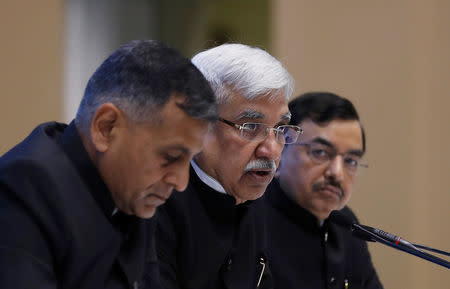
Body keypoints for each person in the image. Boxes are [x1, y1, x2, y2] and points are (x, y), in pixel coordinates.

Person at [0, 40, 218, 289]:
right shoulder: (22, 188)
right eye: (170, 157)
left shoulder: (132, 190)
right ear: (106, 127)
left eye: (189, 159)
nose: (180, 182)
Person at [153, 43, 302, 289]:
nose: (272, 150)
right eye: (251, 127)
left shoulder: (259, 203)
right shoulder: (153, 202)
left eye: (280, 129)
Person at [265, 92, 383, 289]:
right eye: (320, 152)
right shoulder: (250, 220)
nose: (336, 173)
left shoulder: (347, 225)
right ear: (280, 149)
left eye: (350, 161)